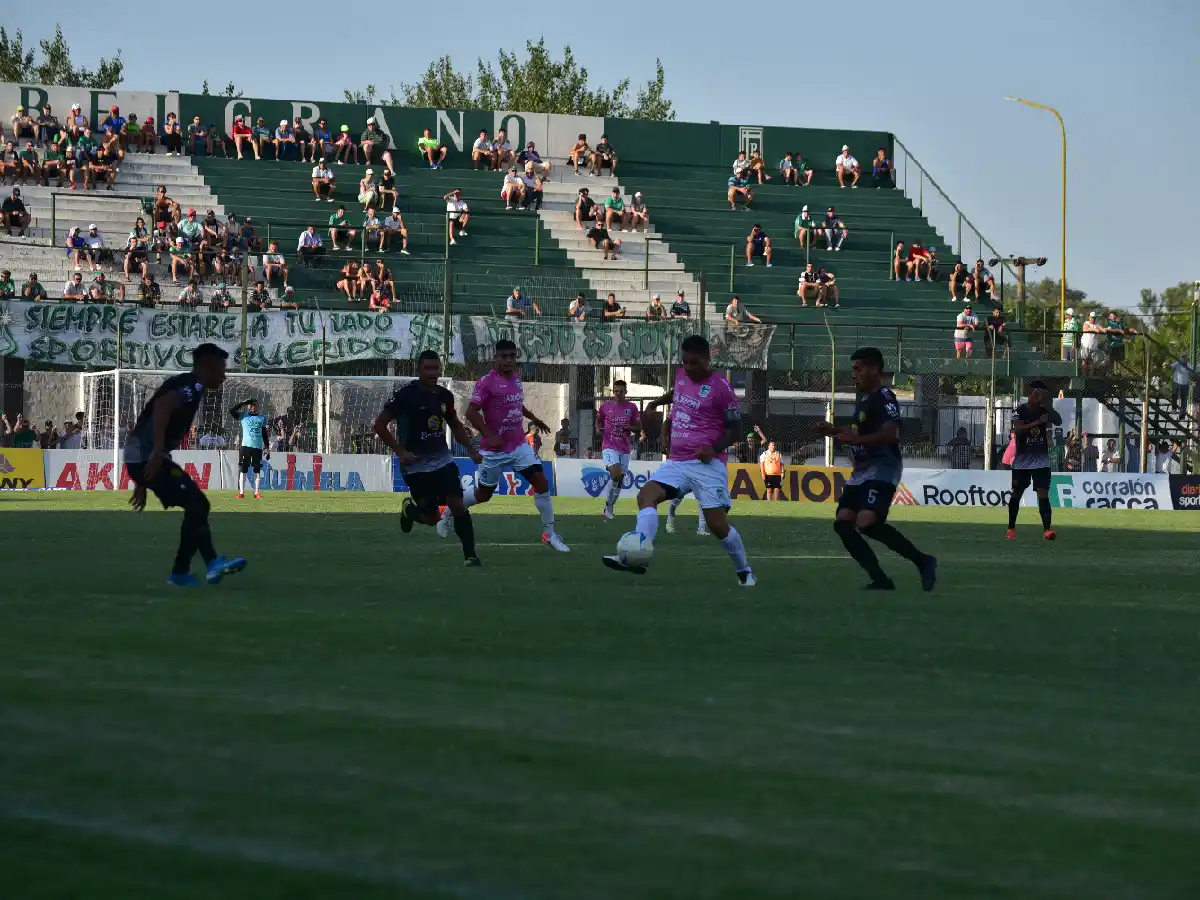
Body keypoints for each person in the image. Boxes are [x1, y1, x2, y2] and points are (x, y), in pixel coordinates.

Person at [603, 335, 756, 585]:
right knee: (646, 495)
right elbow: (678, 393)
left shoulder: (721, 388)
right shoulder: (682, 375)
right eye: (685, 362)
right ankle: (637, 552)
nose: (688, 368)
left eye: (694, 363)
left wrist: (714, 448)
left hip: (708, 465)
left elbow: (736, 430)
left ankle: (744, 571)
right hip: (678, 461)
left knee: (717, 525)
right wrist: (656, 402)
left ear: (707, 360)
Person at [124, 343, 247, 586]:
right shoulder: (192, 386)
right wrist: (156, 451)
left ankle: (197, 567)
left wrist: (142, 479)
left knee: (197, 505)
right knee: (198, 504)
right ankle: (191, 569)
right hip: (146, 456)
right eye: (222, 369)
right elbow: (162, 406)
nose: (224, 376)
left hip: (141, 457)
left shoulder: (189, 385)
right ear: (208, 366)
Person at [817, 347, 936, 590]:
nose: (853, 374)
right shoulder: (864, 399)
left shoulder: (884, 396)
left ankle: (923, 561)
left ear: (873, 369)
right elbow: (858, 433)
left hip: (883, 467)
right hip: (861, 472)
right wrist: (834, 431)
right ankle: (880, 579)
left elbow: (891, 434)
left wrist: (856, 439)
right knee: (843, 522)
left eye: (858, 369)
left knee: (866, 521)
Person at [434, 340, 569, 552]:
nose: (508, 360)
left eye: (512, 356)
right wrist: (489, 435)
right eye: (504, 356)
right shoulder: (486, 382)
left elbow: (516, 403)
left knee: (541, 482)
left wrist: (534, 418)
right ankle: (448, 512)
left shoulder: (516, 378)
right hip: (494, 450)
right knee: (483, 495)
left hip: (518, 445)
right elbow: (471, 412)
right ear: (495, 358)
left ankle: (549, 534)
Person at [374, 350, 484, 566]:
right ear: (418, 370)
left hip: (443, 462)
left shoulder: (445, 396)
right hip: (415, 467)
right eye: (428, 368)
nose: (433, 373)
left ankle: (470, 555)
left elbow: (455, 424)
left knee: (457, 504)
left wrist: (471, 449)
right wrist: (400, 451)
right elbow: (379, 425)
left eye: (436, 368)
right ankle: (409, 509)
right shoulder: (404, 396)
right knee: (432, 518)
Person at [1005, 380, 1063, 541]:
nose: (1036, 396)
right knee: (1017, 493)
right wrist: (1038, 422)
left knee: (1043, 493)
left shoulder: (1044, 410)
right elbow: (1018, 429)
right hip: (1022, 462)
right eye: (1034, 393)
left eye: (1040, 394)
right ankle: (1011, 528)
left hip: (1041, 461)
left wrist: (1048, 407)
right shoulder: (1020, 410)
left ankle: (1047, 530)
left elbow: (1058, 421)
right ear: (1029, 394)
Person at [596, 379, 642, 520]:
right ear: (613, 391)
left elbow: (638, 427)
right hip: (609, 446)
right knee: (615, 474)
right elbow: (598, 420)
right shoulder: (605, 406)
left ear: (626, 392)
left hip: (625, 448)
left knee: (620, 480)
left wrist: (630, 427)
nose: (618, 393)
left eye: (621, 391)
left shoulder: (632, 407)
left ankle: (609, 505)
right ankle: (608, 506)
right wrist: (598, 429)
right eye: (616, 391)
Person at [230, 398, 269, 499]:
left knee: (257, 470)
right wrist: (243, 403)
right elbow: (231, 411)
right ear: (248, 406)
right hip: (245, 446)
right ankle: (241, 493)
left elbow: (264, 434)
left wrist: (267, 447)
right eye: (251, 405)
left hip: (257, 447)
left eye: (255, 405)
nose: (253, 407)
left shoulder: (262, 418)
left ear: (257, 406)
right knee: (243, 469)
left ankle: (256, 493)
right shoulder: (243, 416)